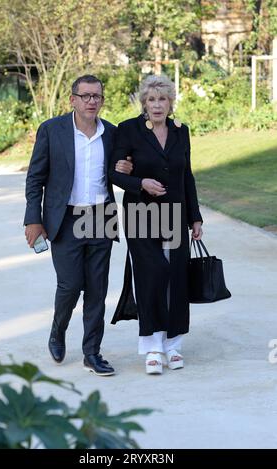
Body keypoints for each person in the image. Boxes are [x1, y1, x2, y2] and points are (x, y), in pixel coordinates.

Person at [24, 74, 132, 376]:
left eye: (96, 96)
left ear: (102, 100)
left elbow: (119, 172)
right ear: (72, 99)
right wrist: (33, 218)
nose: (91, 101)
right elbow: (35, 179)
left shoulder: (112, 133)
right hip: (66, 219)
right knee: (70, 286)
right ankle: (57, 332)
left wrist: (125, 168)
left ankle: (92, 353)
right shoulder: (51, 130)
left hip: (101, 217)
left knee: (97, 290)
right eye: (85, 96)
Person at [109, 74, 203, 375]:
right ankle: (151, 347)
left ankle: (173, 345)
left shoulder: (180, 131)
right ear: (144, 103)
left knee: (175, 277)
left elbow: (186, 175)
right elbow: (114, 174)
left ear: (170, 102)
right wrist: (141, 183)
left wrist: (195, 217)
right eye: (151, 99)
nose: (157, 105)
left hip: (175, 213)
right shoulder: (128, 130)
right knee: (150, 276)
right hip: (140, 213)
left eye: (163, 99)